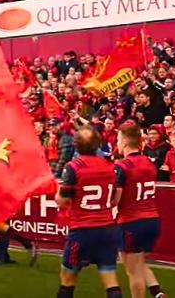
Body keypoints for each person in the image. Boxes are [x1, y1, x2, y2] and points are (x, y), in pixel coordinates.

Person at [55, 126, 122, 298]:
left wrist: (56, 192)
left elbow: (62, 201)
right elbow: (114, 200)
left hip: (82, 230)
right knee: (110, 279)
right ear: (97, 144)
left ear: (76, 145)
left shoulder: (73, 167)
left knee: (67, 278)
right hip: (107, 229)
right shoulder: (110, 166)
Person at [113, 123, 166, 298]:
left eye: (118, 139)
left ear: (125, 142)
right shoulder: (148, 163)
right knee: (138, 262)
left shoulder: (122, 166)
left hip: (131, 221)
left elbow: (115, 200)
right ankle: (157, 292)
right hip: (152, 219)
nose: (117, 143)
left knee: (133, 271)